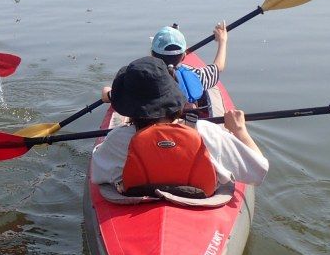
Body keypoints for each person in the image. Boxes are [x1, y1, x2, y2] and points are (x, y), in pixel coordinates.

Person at [90, 56, 269, 194]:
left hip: (137, 206)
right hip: (199, 205)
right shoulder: (207, 132)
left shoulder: (118, 140)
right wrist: (239, 130)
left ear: (128, 108)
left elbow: (97, 174)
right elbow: (259, 170)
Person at [101, 22, 227, 107]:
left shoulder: (140, 81)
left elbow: (107, 97)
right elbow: (218, 67)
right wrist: (222, 41)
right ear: (184, 56)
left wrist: (107, 92)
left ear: (152, 54)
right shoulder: (197, 76)